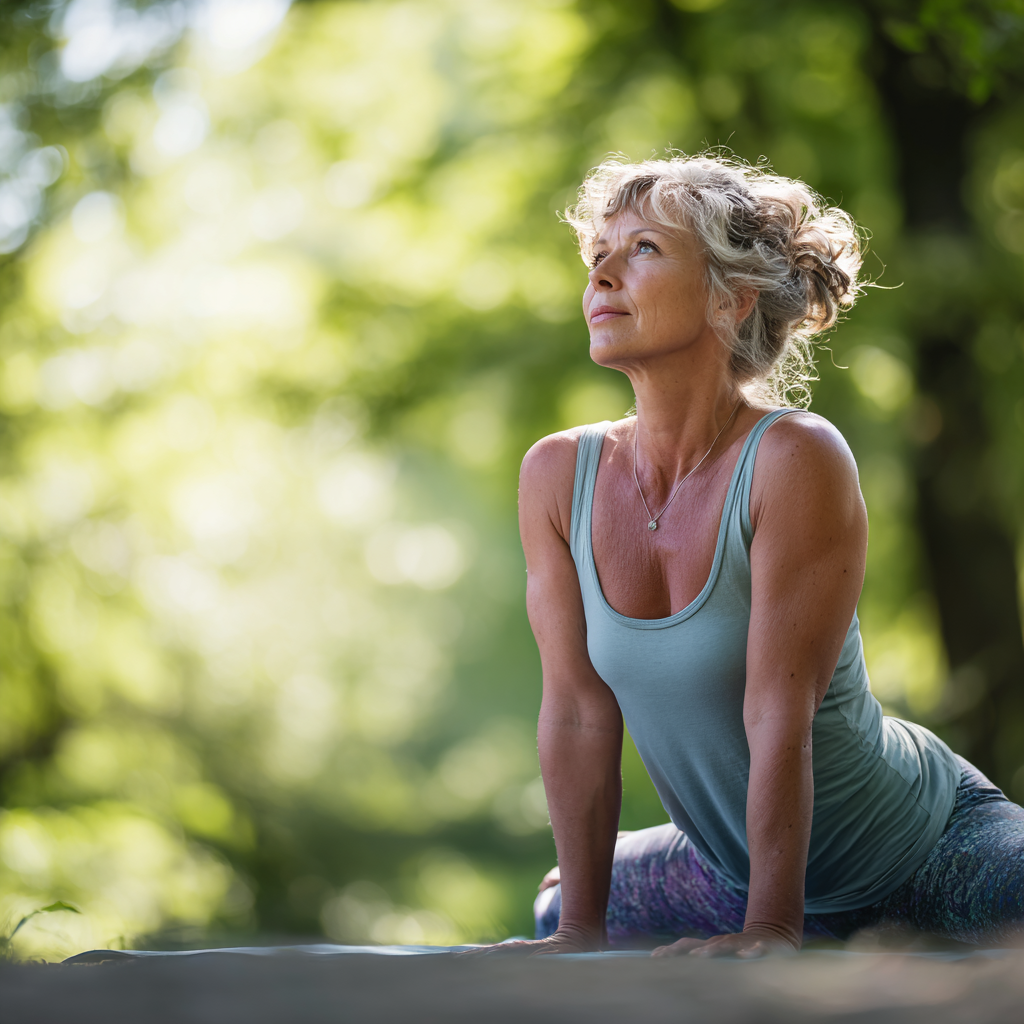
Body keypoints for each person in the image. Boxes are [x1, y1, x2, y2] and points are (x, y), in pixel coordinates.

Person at [485, 154, 1024, 958]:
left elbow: (779, 712)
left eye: (643, 249)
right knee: (554, 905)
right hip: (728, 872)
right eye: (599, 248)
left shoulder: (794, 457)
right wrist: (577, 934)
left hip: (920, 850)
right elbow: (575, 710)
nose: (600, 269)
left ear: (730, 300)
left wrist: (771, 930)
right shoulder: (558, 475)